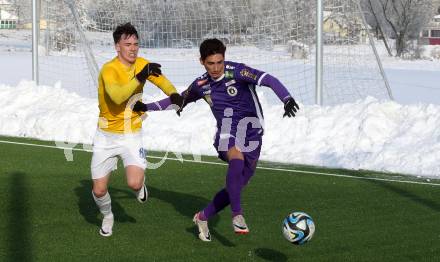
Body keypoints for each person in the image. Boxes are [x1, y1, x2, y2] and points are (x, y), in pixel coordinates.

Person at [134, 38, 299, 242]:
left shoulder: (239, 71)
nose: (215, 68)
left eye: (219, 62)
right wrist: (146, 107)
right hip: (226, 132)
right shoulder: (201, 84)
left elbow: (269, 79)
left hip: (252, 133)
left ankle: (202, 217)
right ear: (201, 61)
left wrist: (287, 98)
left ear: (224, 58)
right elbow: (178, 100)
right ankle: (237, 215)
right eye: (210, 63)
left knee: (238, 184)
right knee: (235, 158)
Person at [91, 22, 183, 237]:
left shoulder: (142, 64)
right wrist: (141, 76)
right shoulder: (109, 69)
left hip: (132, 133)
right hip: (105, 136)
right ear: (117, 47)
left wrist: (174, 95)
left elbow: (162, 80)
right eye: (127, 44)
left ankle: (140, 186)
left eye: (136, 44)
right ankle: (108, 215)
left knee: (133, 184)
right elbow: (117, 96)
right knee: (99, 190)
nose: (133, 48)